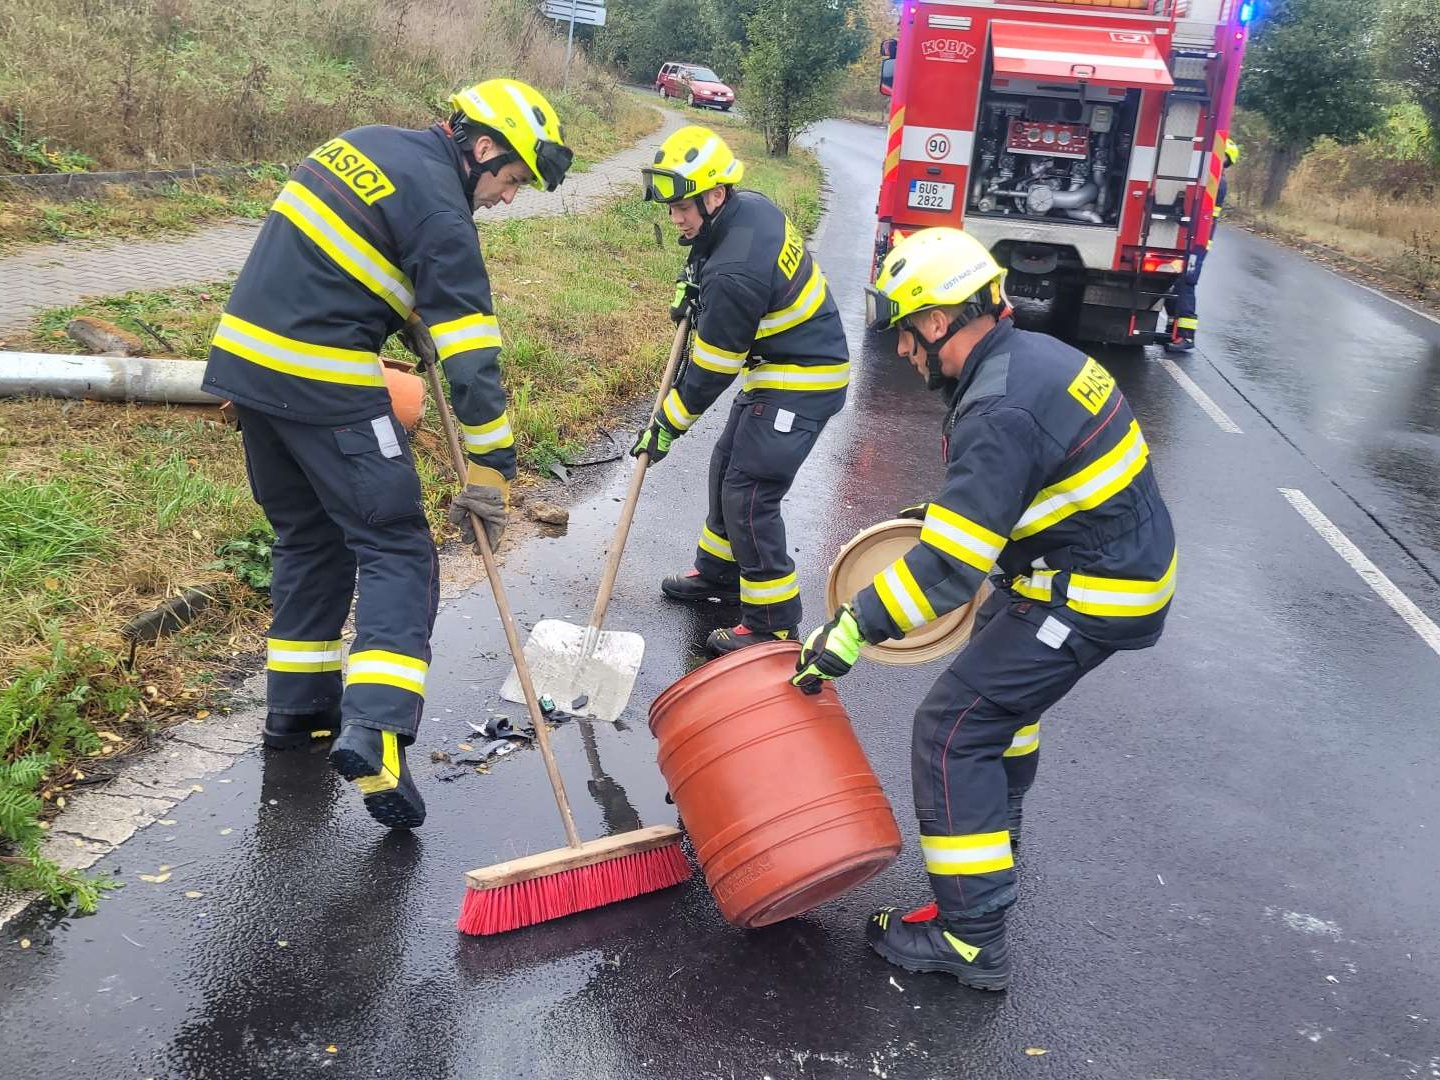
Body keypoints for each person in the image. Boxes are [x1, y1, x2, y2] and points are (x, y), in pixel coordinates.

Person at [792, 227, 1177, 990]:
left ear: (938, 321)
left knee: (951, 730)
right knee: (1001, 702)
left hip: (1092, 591)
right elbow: (999, 498)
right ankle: (995, 839)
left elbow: (947, 571)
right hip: (1092, 567)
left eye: (907, 333)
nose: (904, 352)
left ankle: (972, 940)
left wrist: (852, 628)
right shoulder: (1033, 359)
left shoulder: (998, 406)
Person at [203, 79, 573, 830]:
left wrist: (404, 310)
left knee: (310, 540)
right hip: (324, 386)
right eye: (508, 181)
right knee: (399, 547)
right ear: (482, 148)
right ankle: (375, 732)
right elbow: (473, 361)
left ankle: (299, 716)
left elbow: (340, 255)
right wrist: (493, 469)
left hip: (247, 369)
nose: (505, 199)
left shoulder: (365, 143)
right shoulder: (443, 211)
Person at [631, 125, 851, 655]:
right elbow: (703, 252)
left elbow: (709, 370)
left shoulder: (735, 273)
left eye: (682, 207)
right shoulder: (745, 209)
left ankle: (773, 622)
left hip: (801, 380)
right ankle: (719, 573)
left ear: (713, 196)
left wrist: (666, 425)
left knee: (751, 491)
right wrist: (691, 284)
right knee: (726, 464)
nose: (674, 217)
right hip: (778, 368)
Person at [1166, 137, 1239, 354]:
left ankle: (1186, 336)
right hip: (1195, 240)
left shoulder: (1218, 184)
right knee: (1176, 283)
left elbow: (1202, 212)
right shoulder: (1215, 181)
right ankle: (1174, 329)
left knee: (1186, 283)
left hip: (1198, 244)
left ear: (1225, 160)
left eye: (1220, 157)